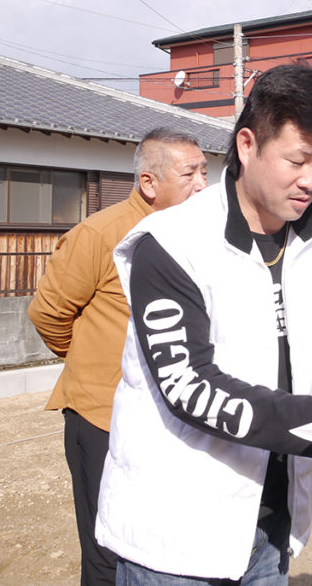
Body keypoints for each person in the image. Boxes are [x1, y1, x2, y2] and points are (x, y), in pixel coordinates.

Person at [95, 64, 312, 584]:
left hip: (270, 523)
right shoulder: (171, 243)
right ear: (247, 145)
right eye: (297, 160)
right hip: (175, 529)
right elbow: (189, 387)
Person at [28, 127, 208, 585]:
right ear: (149, 183)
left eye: (205, 173)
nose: (202, 185)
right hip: (101, 414)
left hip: (167, 416)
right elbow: (49, 313)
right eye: (190, 174)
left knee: (157, 540)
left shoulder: (196, 234)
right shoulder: (100, 233)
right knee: (107, 546)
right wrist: (89, 362)